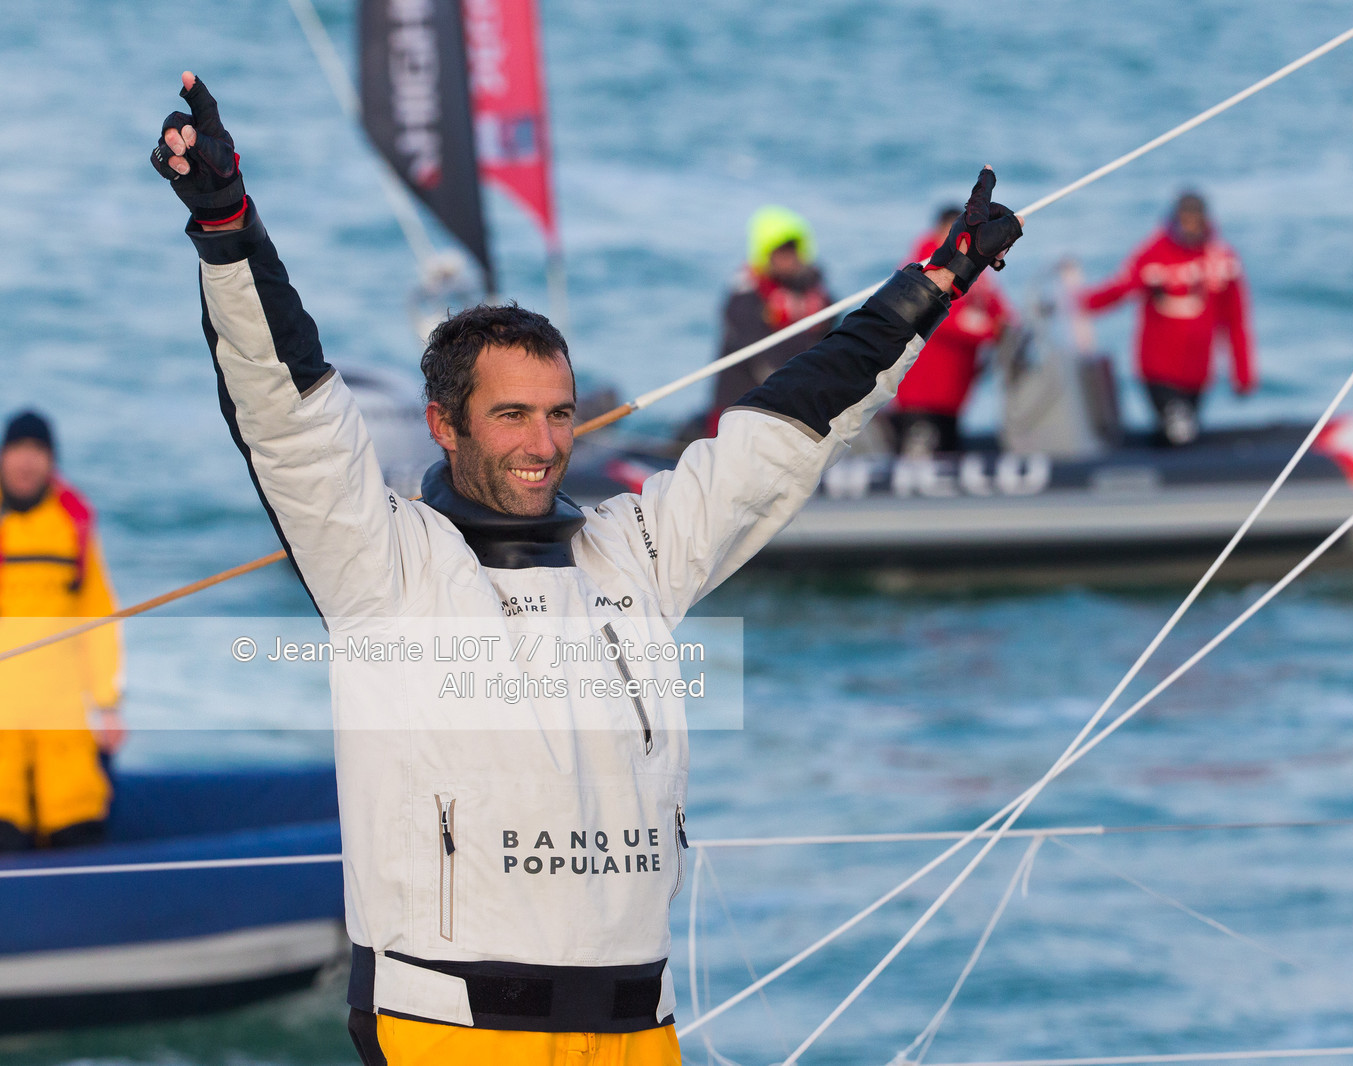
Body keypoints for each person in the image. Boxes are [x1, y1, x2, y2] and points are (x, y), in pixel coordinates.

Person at [150, 72, 1022, 1065]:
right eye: (511, 414)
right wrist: (227, 226)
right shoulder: (381, 567)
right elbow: (287, 410)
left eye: (559, 413)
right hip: (452, 1032)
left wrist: (930, 286)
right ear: (443, 423)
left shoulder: (634, 550)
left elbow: (789, 427)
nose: (543, 442)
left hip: (639, 1032)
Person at [0, 410, 124, 851]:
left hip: (61, 708)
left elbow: (99, 620)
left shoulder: (73, 525)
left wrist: (108, 705)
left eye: (37, 452)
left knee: (78, 826)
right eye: (17, 450)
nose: (26, 462)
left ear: (51, 461)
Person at [1079, 191, 1255, 445]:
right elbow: (1118, 290)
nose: (1190, 229)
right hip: (1159, 370)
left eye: (1196, 222)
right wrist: (1076, 303)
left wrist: (1243, 373)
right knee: (1179, 434)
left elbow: (1236, 320)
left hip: (1199, 374)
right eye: (1185, 221)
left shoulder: (1223, 261)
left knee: (1177, 440)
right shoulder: (1154, 255)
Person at [889, 205, 1016, 455]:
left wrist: (999, 327)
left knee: (946, 462)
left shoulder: (976, 273)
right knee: (920, 471)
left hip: (954, 396)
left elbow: (1002, 314)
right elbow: (941, 316)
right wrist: (990, 329)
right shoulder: (922, 267)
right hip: (921, 397)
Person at [705, 206, 833, 435]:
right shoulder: (745, 297)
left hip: (789, 412)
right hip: (741, 409)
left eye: (793, 250)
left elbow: (829, 338)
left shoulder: (816, 296)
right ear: (765, 255)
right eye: (780, 252)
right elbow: (764, 360)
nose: (789, 259)